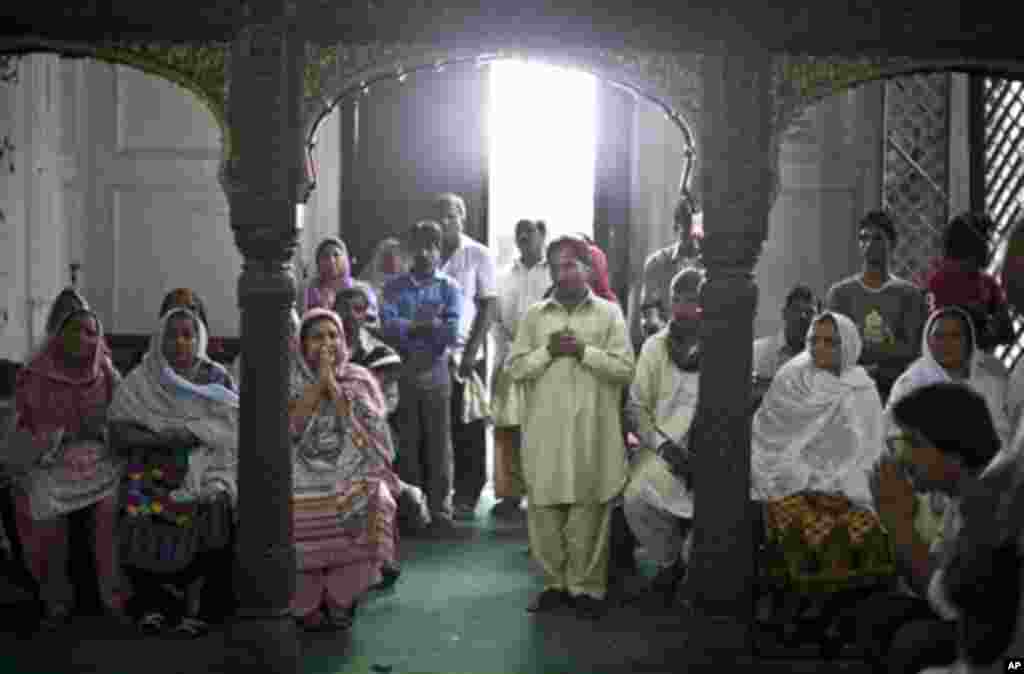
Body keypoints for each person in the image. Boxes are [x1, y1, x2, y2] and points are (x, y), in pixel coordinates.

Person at [507, 235, 635, 620]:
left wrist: (583, 352)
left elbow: (625, 369)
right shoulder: (534, 316)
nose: (563, 274)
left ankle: (586, 589)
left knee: (588, 512)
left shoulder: (609, 315)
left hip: (592, 433)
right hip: (546, 432)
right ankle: (553, 585)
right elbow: (515, 369)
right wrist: (549, 351)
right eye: (556, 266)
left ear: (587, 268)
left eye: (570, 265)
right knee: (544, 509)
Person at [107, 306, 238, 637]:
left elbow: (231, 428)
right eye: (172, 335)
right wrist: (161, 438)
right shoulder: (143, 378)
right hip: (151, 464)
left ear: (199, 339)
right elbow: (119, 432)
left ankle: (199, 607)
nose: (180, 342)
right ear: (159, 339)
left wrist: (189, 434)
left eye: (188, 335)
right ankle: (152, 605)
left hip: (207, 464)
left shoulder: (216, 377)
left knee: (214, 502)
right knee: (137, 503)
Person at [862, 382, 1005, 674]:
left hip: (1009, 652)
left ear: (953, 450)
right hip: (976, 621)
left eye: (914, 443)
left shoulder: (996, 502)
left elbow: (948, 600)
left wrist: (898, 523)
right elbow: (933, 580)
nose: (903, 457)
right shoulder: (960, 495)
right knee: (877, 614)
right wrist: (899, 521)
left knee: (914, 643)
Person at [9, 307, 125, 630]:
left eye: (91, 332)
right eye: (74, 330)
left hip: (101, 461)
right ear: (58, 335)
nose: (82, 338)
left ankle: (113, 598)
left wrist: (100, 431)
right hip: (51, 459)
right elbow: (21, 429)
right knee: (41, 504)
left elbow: (124, 421)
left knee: (110, 510)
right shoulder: (34, 375)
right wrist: (61, 435)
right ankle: (55, 598)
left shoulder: (108, 375)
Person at [287, 308, 399, 631]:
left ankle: (341, 600)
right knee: (289, 507)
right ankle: (305, 604)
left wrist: (332, 385)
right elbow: (290, 430)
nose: (327, 343)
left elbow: (370, 437)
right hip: (301, 469)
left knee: (374, 499)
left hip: (352, 466)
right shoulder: (290, 379)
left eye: (333, 335)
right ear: (301, 344)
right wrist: (318, 383)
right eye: (317, 337)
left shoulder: (360, 378)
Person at [623, 267, 704, 607]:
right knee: (636, 498)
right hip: (664, 451)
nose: (683, 307)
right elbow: (637, 409)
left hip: (708, 455)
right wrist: (666, 448)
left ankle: (691, 566)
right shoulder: (656, 347)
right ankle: (669, 564)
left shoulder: (723, 345)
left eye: (692, 300)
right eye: (677, 299)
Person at [751, 310, 886, 511]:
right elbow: (769, 440)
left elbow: (870, 451)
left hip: (848, 498)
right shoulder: (790, 378)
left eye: (830, 342)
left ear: (848, 345)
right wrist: (807, 485)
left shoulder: (862, 388)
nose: (819, 347)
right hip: (790, 493)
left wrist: (841, 491)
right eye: (814, 340)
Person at [380, 220, 462, 536]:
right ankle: (414, 511)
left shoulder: (449, 287)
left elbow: (451, 331)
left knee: (440, 444)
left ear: (439, 251)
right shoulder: (393, 287)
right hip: (402, 372)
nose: (425, 253)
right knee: (408, 442)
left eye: (432, 246)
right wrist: (423, 325)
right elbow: (388, 329)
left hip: (436, 371)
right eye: (419, 246)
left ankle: (441, 511)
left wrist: (410, 327)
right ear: (410, 250)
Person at [436, 193, 498, 521]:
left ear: (462, 217)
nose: (445, 222)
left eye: (451, 216)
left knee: (468, 426)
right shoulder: (427, 253)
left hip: (466, 353)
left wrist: (472, 352)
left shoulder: (478, 254)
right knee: (438, 426)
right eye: (440, 216)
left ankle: (468, 493)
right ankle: (438, 494)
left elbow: (488, 304)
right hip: (432, 354)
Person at [825, 210, 928, 403]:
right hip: (849, 393)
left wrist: (869, 360)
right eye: (864, 238)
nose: (869, 244)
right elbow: (836, 349)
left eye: (878, 238)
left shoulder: (909, 295)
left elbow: (911, 350)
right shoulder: (840, 294)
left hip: (897, 392)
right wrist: (884, 354)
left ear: (892, 244)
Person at [491, 219, 550, 520]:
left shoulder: (553, 272)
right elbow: (498, 323)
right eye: (519, 233)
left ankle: (542, 494)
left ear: (543, 235)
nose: (524, 237)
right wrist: (501, 358)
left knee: (540, 428)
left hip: (546, 359)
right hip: (511, 357)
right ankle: (510, 495)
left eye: (530, 232)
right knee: (507, 428)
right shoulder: (504, 275)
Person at [925, 212, 1014, 354]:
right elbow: (936, 335)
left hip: (980, 366)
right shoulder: (937, 282)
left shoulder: (987, 283)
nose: (990, 247)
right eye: (987, 240)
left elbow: (1007, 333)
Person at [637, 193, 702, 343]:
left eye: (697, 231)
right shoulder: (656, 264)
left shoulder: (715, 266)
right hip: (666, 346)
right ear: (675, 227)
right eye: (687, 229)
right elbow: (649, 314)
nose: (694, 238)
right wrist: (670, 340)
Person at [752, 284, 817, 406]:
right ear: (784, 313)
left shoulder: (823, 360)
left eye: (809, 312)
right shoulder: (756, 351)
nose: (803, 317)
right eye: (796, 309)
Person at [301, 236, 354, 314]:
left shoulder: (357, 289)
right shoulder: (311, 290)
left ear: (345, 259)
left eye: (336, 255)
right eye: (325, 256)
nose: (331, 261)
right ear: (318, 263)